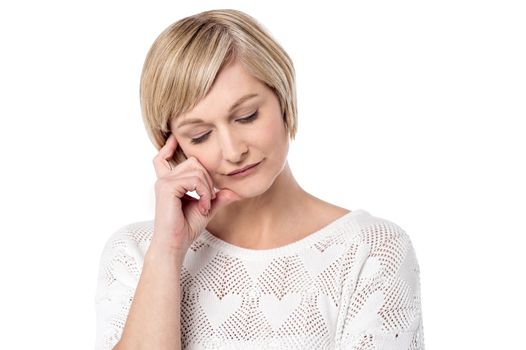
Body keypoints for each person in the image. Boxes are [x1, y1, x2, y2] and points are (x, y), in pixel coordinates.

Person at [94, 8, 425, 350]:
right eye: (200, 135)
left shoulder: (370, 251)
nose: (233, 150)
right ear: (172, 147)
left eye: (247, 116)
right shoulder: (135, 253)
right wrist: (167, 252)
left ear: (282, 98)